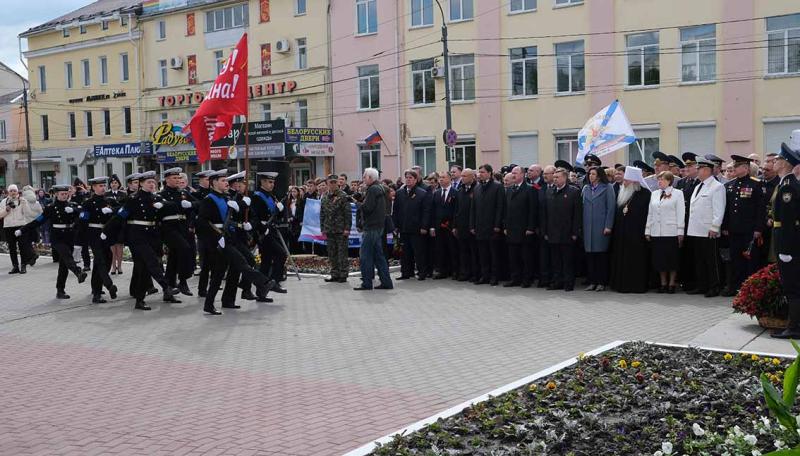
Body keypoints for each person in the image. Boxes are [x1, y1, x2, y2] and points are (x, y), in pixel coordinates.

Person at [196, 170, 276, 315]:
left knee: (219, 274)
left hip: (230, 238)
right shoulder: (209, 199)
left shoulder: (227, 198)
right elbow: (201, 223)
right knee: (241, 262)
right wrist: (215, 237)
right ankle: (263, 282)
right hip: (218, 240)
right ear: (213, 183)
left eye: (226, 180)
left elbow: (237, 216)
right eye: (222, 180)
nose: (226, 183)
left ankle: (210, 304)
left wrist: (243, 204)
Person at [102, 171, 180, 310]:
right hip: (137, 236)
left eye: (153, 182)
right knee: (152, 261)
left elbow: (174, 206)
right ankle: (165, 286)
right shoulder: (134, 199)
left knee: (143, 270)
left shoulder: (156, 198)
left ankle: (139, 300)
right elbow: (120, 216)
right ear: (142, 184)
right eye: (149, 182)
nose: (152, 184)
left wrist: (163, 205)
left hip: (152, 236)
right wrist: (106, 231)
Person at [18, 185, 87, 297]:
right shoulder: (51, 208)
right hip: (57, 237)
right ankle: (78, 272)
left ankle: (60, 290)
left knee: (63, 266)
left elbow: (83, 213)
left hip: (70, 235)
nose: (65, 196)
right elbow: (38, 221)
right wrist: (23, 229)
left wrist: (74, 210)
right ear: (56, 194)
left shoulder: (72, 205)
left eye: (66, 194)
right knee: (66, 254)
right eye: (62, 194)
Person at [721, 155, 766, 297]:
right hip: (734, 230)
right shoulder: (730, 185)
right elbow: (728, 209)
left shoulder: (756, 184)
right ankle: (736, 286)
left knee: (750, 260)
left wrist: (759, 229)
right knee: (735, 260)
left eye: (737, 166)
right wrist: (725, 226)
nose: (733, 168)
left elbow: (761, 209)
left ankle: (750, 289)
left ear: (745, 168)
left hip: (749, 230)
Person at [771, 132, 800, 339]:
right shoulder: (784, 184)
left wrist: (787, 250)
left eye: (778, 159)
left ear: (785, 163)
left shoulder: (788, 186)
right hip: (784, 238)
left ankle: (794, 327)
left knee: (792, 286)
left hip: (788, 242)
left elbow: (789, 221)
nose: (774, 161)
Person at [686, 156, 727, 298]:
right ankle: (702, 285)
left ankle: (715, 286)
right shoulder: (699, 185)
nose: (697, 171)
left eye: (700, 168)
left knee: (712, 261)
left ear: (707, 170)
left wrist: (715, 227)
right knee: (700, 260)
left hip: (709, 230)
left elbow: (719, 209)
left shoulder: (717, 187)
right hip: (696, 229)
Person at [609, 167, 652, 294]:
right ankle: (620, 284)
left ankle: (635, 285)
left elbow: (645, 215)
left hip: (637, 235)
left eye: (627, 180)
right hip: (621, 235)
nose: (624, 183)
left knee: (635, 261)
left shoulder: (645, 194)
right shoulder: (622, 192)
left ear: (634, 181)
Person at [78, 177, 118, 303]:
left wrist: (111, 210)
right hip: (94, 234)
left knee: (106, 260)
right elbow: (82, 221)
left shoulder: (108, 201)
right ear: (93, 187)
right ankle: (107, 286)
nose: (103, 188)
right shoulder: (88, 203)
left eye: (103, 186)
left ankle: (96, 288)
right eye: (100, 186)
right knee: (100, 260)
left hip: (106, 234)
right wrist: (80, 241)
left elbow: (120, 210)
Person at [645, 171, 685, 294]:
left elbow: (680, 212)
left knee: (672, 259)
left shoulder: (678, 193)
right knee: (660, 259)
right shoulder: (654, 194)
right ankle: (663, 283)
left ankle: (672, 283)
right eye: (658, 179)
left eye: (662, 179)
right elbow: (650, 213)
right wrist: (648, 230)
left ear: (669, 181)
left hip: (671, 231)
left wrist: (680, 231)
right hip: (657, 231)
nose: (659, 182)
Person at [541, 167, 581, 291]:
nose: (555, 179)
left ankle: (568, 283)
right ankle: (557, 281)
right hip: (552, 232)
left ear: (565, 177)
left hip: (567, 233)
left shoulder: (573, 192)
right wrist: (545, 231)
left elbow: (577, 214)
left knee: (567, 260)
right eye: (554, 177)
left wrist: (575, 232)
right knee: (555, 260)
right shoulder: (549, 191)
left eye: (557, 177)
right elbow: (545, 214)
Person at [354, 167, 393, 291]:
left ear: (370, 178)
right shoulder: (380, 188)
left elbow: (368, 208)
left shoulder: (372, 189)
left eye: (365, 176)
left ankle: (366, 283)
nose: (363, 178)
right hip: (378, 226)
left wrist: (357, 204)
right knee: (378, 255)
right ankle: (386, 282)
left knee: (365, 255)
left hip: (371, 227)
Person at [250, 172, 289, 294]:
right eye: (269, 182)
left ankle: (261, 291)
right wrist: (262, 229)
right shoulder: (257, 196)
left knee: (266, 261)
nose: (272, 185)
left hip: (272, 230)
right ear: (262, 182)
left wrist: (281, 210)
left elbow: (277, 215)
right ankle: (274, 281)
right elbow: (254, 216)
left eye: (273, 182)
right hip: (263, 232)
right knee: (281, 254)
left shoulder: (272, 196)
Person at [581, 166, 616, 292]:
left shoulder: (607, 188)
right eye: (590, 174)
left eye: (594, 174)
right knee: (590, 256)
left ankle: (601, 282)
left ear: (599, 176)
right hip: (587, 227)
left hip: (601, 227)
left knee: (600, 256)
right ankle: (592, 281)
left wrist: (608, 226)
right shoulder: (585, 188)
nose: (591, 176)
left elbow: (611, 208)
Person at [470, 164, 505, 286]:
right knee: (482, 254)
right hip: (480, 226)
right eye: (479, 172)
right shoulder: (477, 188)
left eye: (483, 172)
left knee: (493, 254)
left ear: (490, 173)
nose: (480, 174)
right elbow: (473, 208)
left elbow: (500, 207)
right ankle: (485, 276)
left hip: (492, 226)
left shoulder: (497, 186)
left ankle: (494, 276)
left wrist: (497, 225)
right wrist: (472, 225)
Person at [393, 169, 431, 280]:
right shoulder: (400, 192)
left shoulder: (421, 193)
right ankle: (406, 273)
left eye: (411, 178)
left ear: (416, 180)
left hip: (417, 228)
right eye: (407, 178)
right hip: (404, 227)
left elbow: (426, 211)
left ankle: (422, 272)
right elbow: (396, 210)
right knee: (405, 252)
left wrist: (424, 226)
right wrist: (395, 225)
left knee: (419, 252)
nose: (408, 180)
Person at [503, 166, 538, 288]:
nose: (513, 175)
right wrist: (505, 226)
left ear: (522, 175)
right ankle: (515, 278)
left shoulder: (530, 189)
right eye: (512, 173)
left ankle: (526, 279)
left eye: (515, 173)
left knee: (525, 257)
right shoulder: (510, 190)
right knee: (513, 256)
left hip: (524, 229)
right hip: (511, 229)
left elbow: (532, 211)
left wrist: (530, 227)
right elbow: (506, 210)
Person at [320, 174, 352, 283]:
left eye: (335, 182)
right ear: (327, 183)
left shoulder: (343, 196)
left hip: (340, 229)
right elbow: (322, 214)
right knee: (332, 253)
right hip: (329, 229)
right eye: (331, 182)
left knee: (342, 252)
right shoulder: (324, 197)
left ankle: (343, 274)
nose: (333, 184)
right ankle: (334, 274)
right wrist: (322, 228)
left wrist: (347, 228)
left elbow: (347, 214)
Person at [0, 184, 37, 273]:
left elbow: (28, 213)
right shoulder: (4, 201)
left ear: (17, 192)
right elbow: (0, 215)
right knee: (12, 248)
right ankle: (15, 266)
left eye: (14, 191)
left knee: (23, 247)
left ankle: (23, 266)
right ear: (8, 192)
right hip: (8, 226)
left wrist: (24, 203)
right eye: (11, 191)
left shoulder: (22, 200)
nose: (13, 193)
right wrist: (7, 209)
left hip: (20, 226)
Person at [431, 171, 459, 280]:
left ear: (449, 179)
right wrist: (432, 226)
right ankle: (443, 271)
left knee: (453, 250)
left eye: (443, 177)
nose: (441, 179)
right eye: (440, 178)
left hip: (450, 227)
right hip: (438, 226)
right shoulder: (437, 193)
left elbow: (457, 211)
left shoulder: (455, 192)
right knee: (440, 249)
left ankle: (455, 271)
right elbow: (433, 210)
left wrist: (454, 226)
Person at [453, 168, 477, 282]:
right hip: (461, 227)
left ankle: (474, 273)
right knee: (463, 252)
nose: (462, 178)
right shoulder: (460, 191)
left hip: (472, 227)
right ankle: (464, 273)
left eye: (465, 176)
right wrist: (455, 226)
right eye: (462, 176)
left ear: (472, 177)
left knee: (473, 252)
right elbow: (456, 211)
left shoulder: (477, 189)